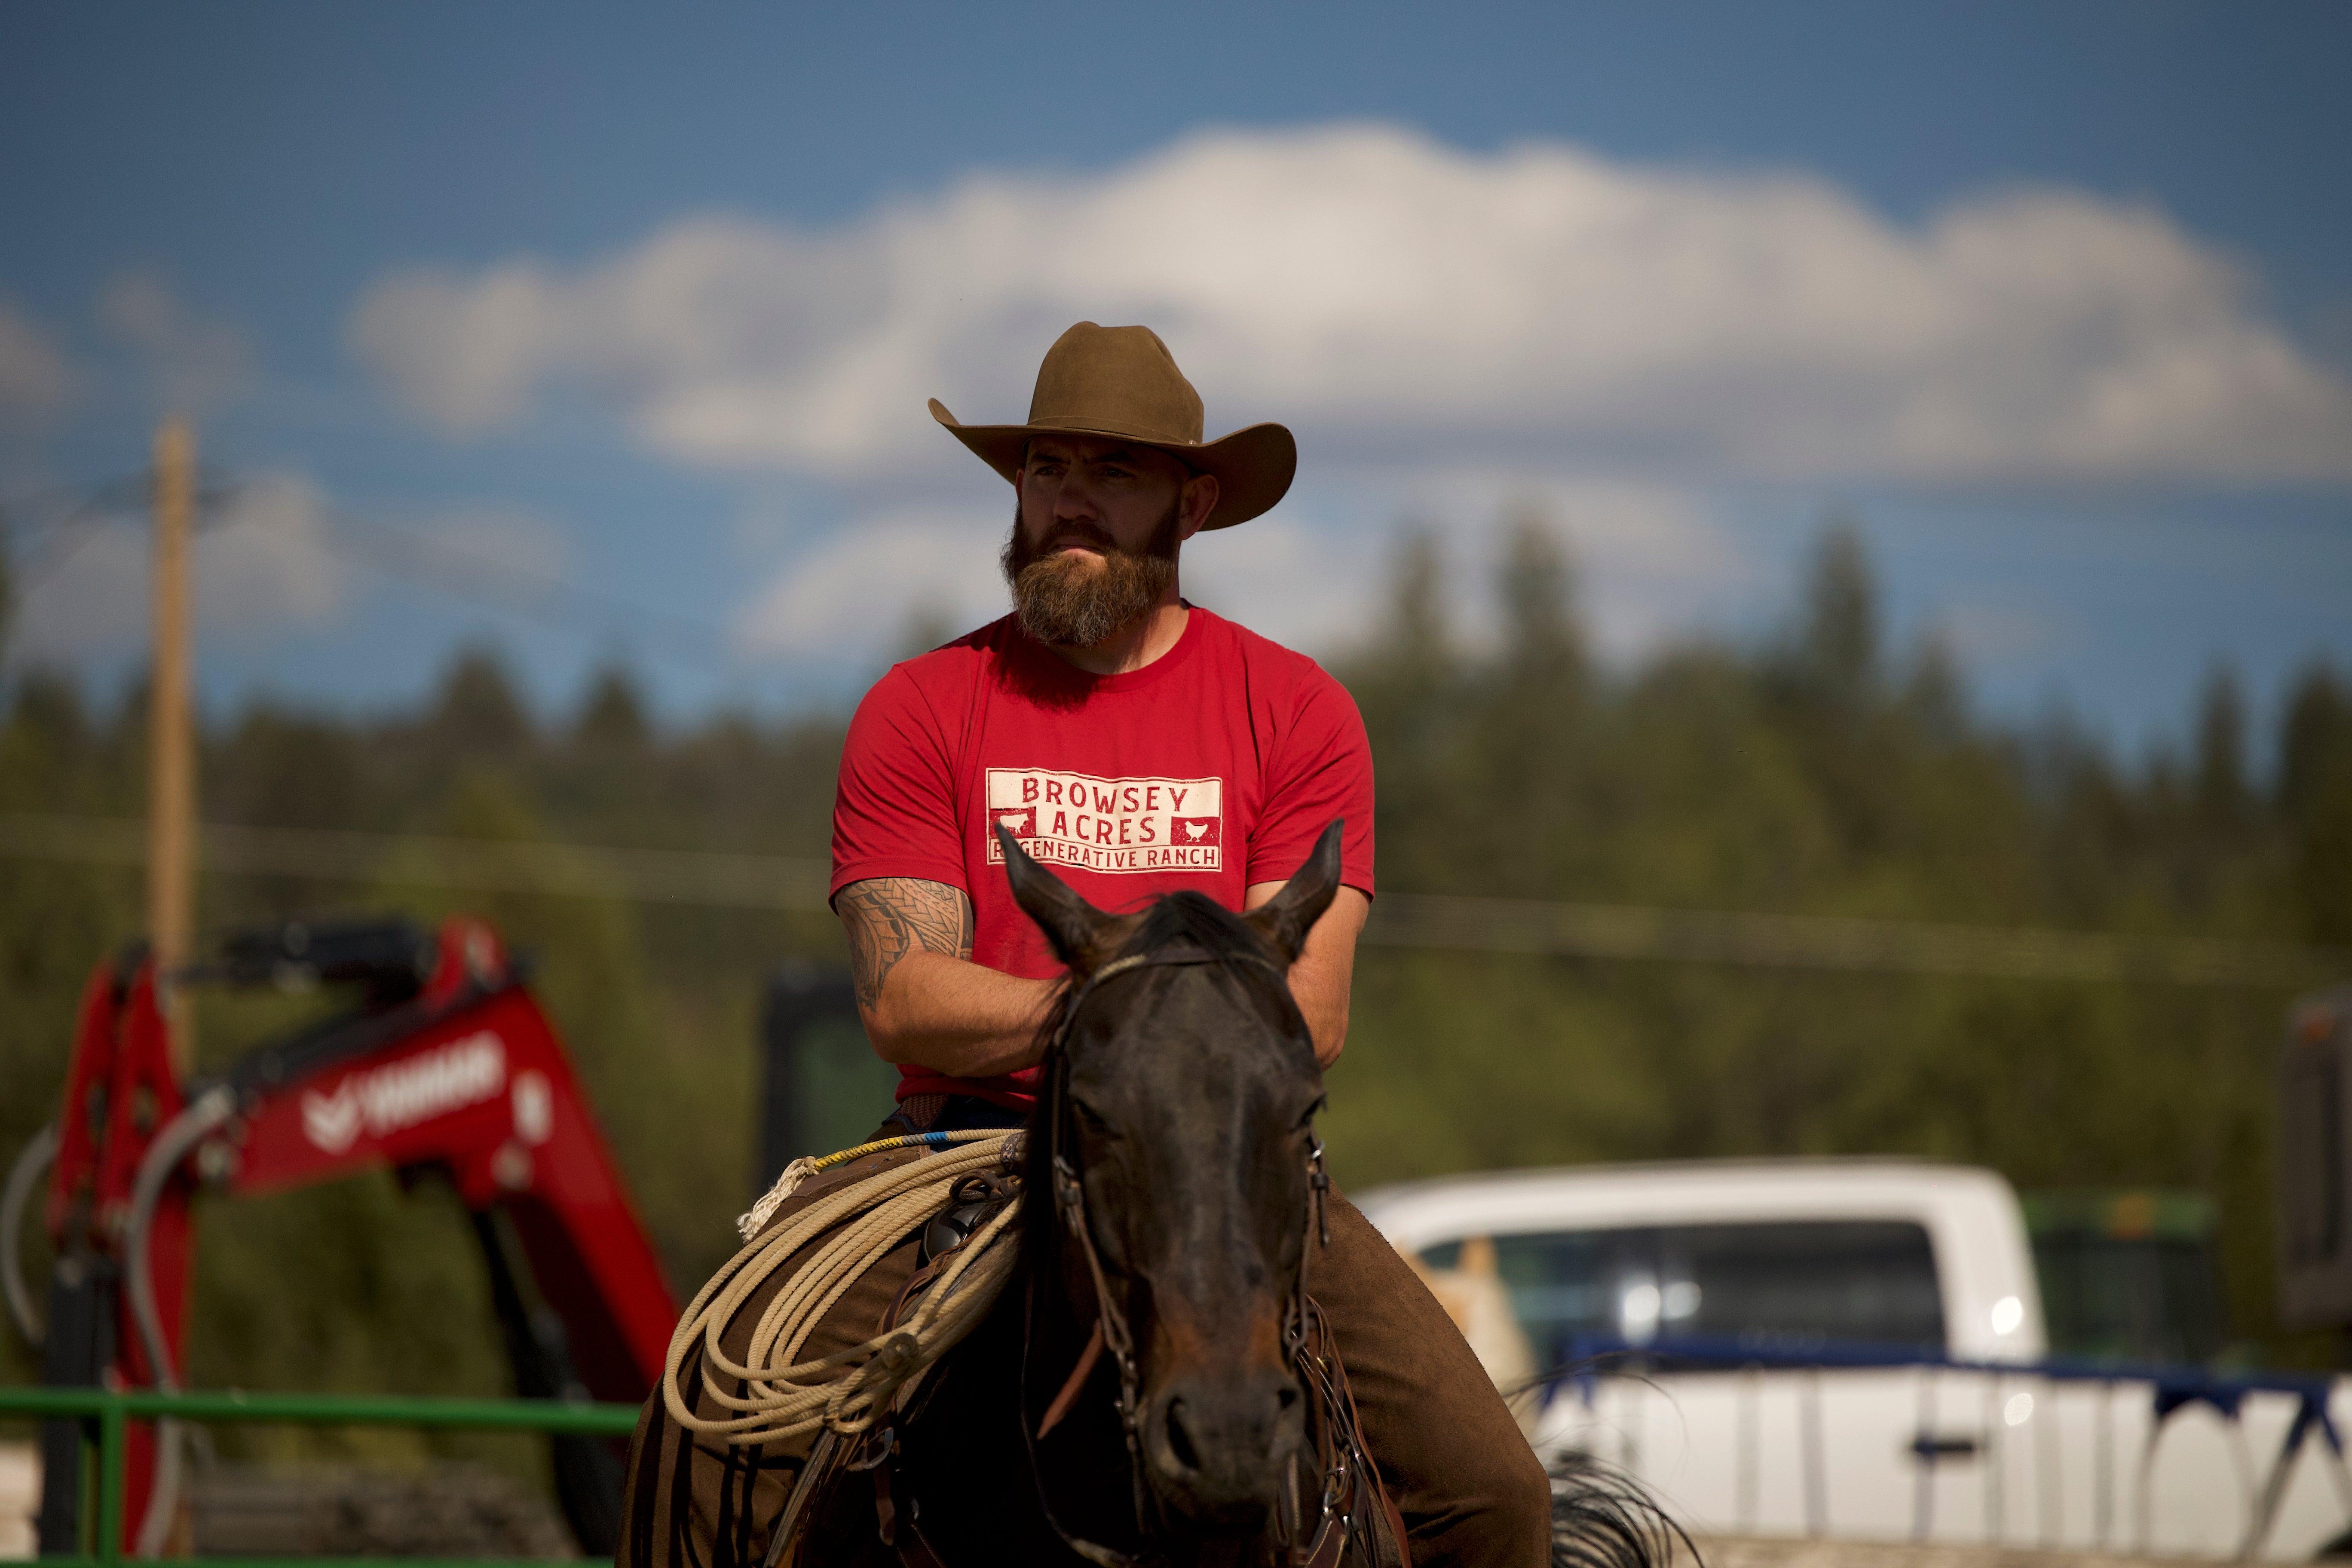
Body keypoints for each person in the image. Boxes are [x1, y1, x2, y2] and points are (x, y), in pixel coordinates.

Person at [618, 322, 1550, 1567]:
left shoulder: (1297, 713)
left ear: (1193, 501)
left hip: (1227, 1171)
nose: (1071, 501)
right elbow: (904, 996)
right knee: (712, 1418)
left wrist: (1152, 1044)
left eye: (1114, 473)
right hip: (959, 1156)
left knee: (1498, 1498)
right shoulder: (923, 708)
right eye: (1048, 467)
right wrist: (1108, 1021)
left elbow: (1309, 1013)